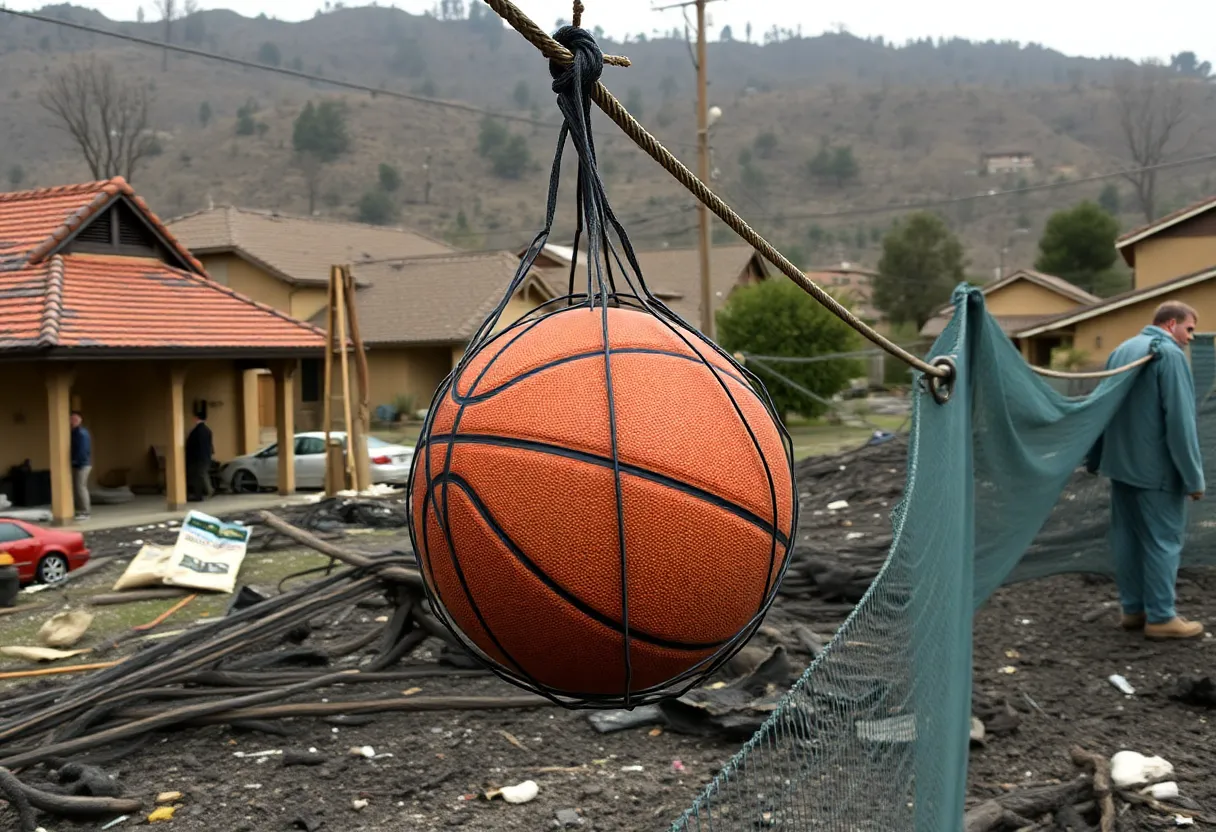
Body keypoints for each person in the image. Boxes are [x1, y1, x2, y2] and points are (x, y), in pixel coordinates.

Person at [1086, 300, 1205, 640]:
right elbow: (1180, 423)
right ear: (1170, 324)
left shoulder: (1121, 351)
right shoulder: (1168, 355)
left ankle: (1133, 610)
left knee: (1127, 538)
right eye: (1189, 329)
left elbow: (1101, 407)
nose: (1190, 338)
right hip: (1156, 472)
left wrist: (1096, 458)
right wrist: (1193, 477)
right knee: (1163, 541)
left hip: (1120, 467)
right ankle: (1162, 617)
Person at [185, 412, 214, 503]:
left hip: (197, 458)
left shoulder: (196, 431)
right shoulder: (207, 430)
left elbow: (192, 445)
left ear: (196, 418)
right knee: (203, 474)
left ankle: (206, 492)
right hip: (206, 457)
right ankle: (206, 491)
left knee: (199, 475)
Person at [69, 411, 92, 521]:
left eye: (75, 419)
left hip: (82, 464)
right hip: (80, 463)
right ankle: (80, 510)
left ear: (80, 420)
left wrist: (76, 461)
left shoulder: (81, 433)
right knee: (78, 488)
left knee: (81, 488)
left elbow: (82, 450)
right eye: (71, 419)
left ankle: (85, 512)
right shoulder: (74, 432)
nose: (72, 422)